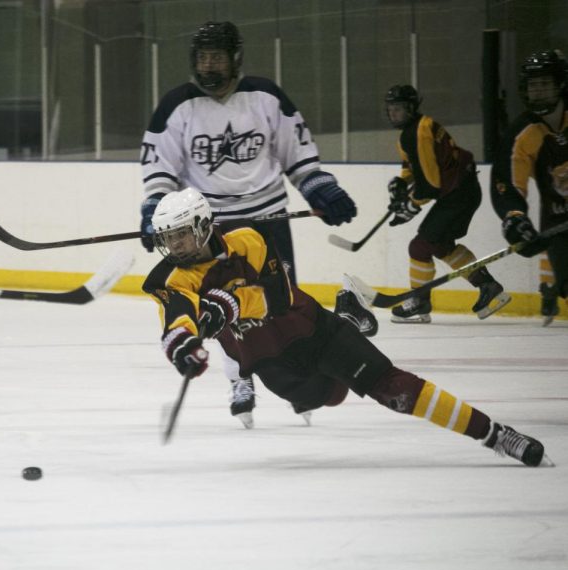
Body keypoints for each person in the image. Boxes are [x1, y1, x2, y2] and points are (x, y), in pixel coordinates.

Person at [143, 187, 548, 467]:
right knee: (328, 396)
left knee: (389, 387)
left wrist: (230, 305)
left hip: (313, 330)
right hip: (272, 366)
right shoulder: (168, 278)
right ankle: (352, 316)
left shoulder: (249, 239)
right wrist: (185, 350)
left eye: (180, 235)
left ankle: (495, 434)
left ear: (201, 226)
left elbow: (278, 297)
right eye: (168, 238)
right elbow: (177, 320)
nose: (174, 246)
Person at [138, 20, 363, 428]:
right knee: (223, 312)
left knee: (281, 305)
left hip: (268, 221)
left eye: (217, 57)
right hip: (210, 230)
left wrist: (318, 188)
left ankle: (299, 379)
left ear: (235, 59)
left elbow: (297, 153)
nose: (208, 66)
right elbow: (159, 167)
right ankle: (240, 378)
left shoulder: (264, 97)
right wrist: (155, 205)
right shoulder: (177, 106)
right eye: (203, 57)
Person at [383, 84, 511, 324]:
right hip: (461, 190)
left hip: (457, 194)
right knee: (440, 245)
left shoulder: (417, 133)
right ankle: (488, 285)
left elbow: (430, 186)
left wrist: (410, 207)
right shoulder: (415, 129)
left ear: (411, 108)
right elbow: (413, 167)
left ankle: (419, 302)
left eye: (399, 108)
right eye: (391, 109)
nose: (394, 113)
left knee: (419, 247)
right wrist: (402, 182)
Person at [491, 49, 568, 327]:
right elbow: (508, 183)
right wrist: (515, 218)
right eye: (533, 85)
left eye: (545, 84)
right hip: (559, 220)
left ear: (560, 84)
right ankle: (551, 291)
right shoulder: (522, 132)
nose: (538, 91)